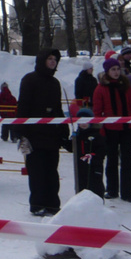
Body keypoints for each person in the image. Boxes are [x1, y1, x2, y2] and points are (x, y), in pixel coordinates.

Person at [15, 48, 71, 216]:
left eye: (55, 59)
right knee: (37, 172)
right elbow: (23, 107)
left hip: (52, 135)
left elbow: (58, 109)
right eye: (50, 58)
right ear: (42, 60)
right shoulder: (29, 80)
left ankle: (52, 204)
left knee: (52, 172)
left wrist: (63, 131)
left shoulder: (55, 83)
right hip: (34, 135)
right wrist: (21, 132)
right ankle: (37, 204)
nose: (53, 61)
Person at [92, 57, 131, 203]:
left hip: (127, 129)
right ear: (107, 71)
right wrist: (100, 132)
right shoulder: (100, 88)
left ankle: (128, 192)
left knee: (127, 161)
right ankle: (112, 190)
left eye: (118, 69)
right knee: (111, 160)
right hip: (110, 130)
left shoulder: (126, 86)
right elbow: (97, 112)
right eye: (113, 69)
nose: (116, 72)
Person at [72, 107, 106, 197]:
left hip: (94, 167)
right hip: (80, 168)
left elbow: (101, 151)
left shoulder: (96, 135)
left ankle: (97, 205)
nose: (83, 124)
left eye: (86, 121)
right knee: (81, 186)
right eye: (81, 121)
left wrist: (92, 156)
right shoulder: (78, 136)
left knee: (95, 187)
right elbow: (73, 148)